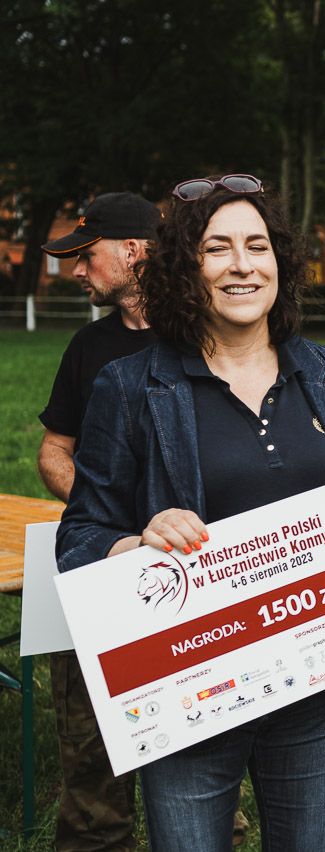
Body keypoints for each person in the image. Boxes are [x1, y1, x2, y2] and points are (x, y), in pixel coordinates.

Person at [55, 175, 325, 851]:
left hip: (315, 691)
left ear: (281, 263)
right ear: (185, 269)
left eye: (257, 246)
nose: (242, 265)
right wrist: (136, 545)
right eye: (217, 249)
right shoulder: (130, 386)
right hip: (189, 696)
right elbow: (78, 538)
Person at [39, 191, 158, 851]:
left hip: (193, 577)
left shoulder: (208, 338)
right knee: (90, 766)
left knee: (197, 763)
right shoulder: (88, 347)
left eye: (86, 256)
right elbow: (53, 451)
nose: (75, 271)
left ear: (135, 251)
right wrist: (102, 511)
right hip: (100, 568)